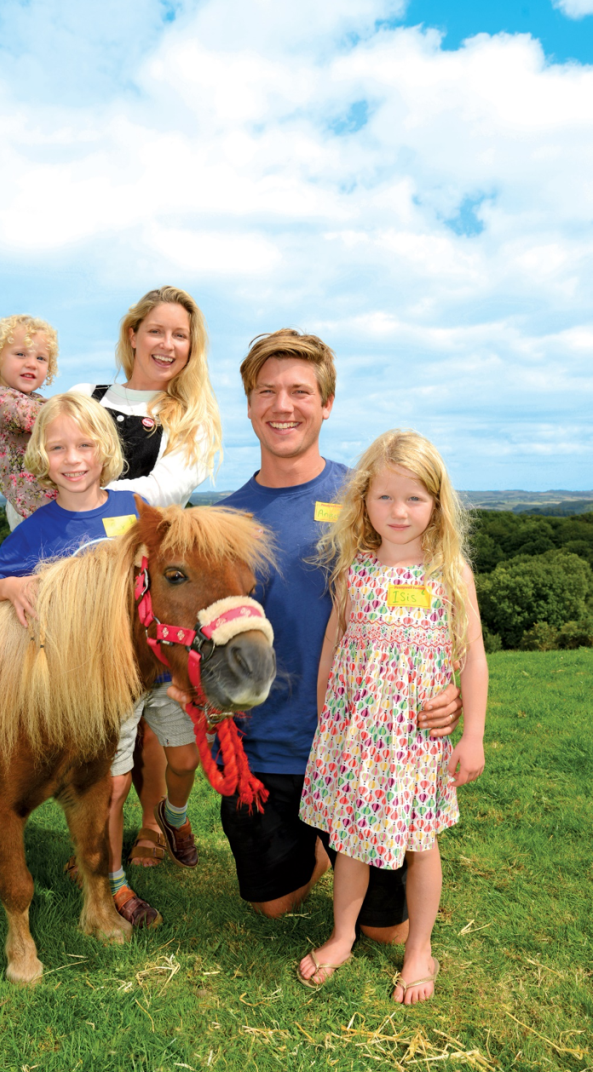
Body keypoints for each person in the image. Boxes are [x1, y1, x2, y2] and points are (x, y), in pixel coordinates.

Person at [169, 330, 463, 949]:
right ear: (248, 404)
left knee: (387, 933)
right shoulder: (226, 519)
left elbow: (440, 598)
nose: (284, 405)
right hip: (265, 750)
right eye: (267, 391)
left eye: (301, 391)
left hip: (367, 746)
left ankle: (354, 857)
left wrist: (452, 692)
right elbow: (199, 628)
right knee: (274, 907)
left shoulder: (375, 498)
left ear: (326, 403)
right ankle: (320, 851)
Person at [0, 391, 198, 929]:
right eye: (57, 448)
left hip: (157, 669)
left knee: (185, 759)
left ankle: (174, 818)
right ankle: (114, 882)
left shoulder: (136, 511)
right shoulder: (39, 527)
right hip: (99, 687)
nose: (72, 459)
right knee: (112, 785)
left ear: (105, 450)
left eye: (84, 445)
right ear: (40, 458)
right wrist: (12, 588)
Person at [297, 430, 488, 1003]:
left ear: (436, 505)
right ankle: (340, 936)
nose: (398, 512)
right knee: (349, 841)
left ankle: (420, 948)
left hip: (414, 740)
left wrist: (471, 735)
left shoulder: (447, 570)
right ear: (363, 502)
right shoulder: (353, 568)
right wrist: (326, 717)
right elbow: (336, 643)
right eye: (385, 498)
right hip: (353, 734)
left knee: (420, 843)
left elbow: (473, 654)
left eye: (414, 499)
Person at [70, 287, 222, 871]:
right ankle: (93, 835)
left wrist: (81, 499)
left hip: (143, 578)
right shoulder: (84, 396)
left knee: (158, 720)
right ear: (132, 333)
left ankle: (158, 823)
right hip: (77, 580)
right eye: (155, 330)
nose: (167, 344)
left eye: (180, 335)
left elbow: (163, 494)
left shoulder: (192, 418)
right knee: (90, 720)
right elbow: (45, 463)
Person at [0, 314, 59, 531]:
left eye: (41, 358)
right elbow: (25, 415)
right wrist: (71, 407)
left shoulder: (36, 401)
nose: (31, 364)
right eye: (20, 354)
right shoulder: (0, 398)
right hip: (26, 506)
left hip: (41, 499)